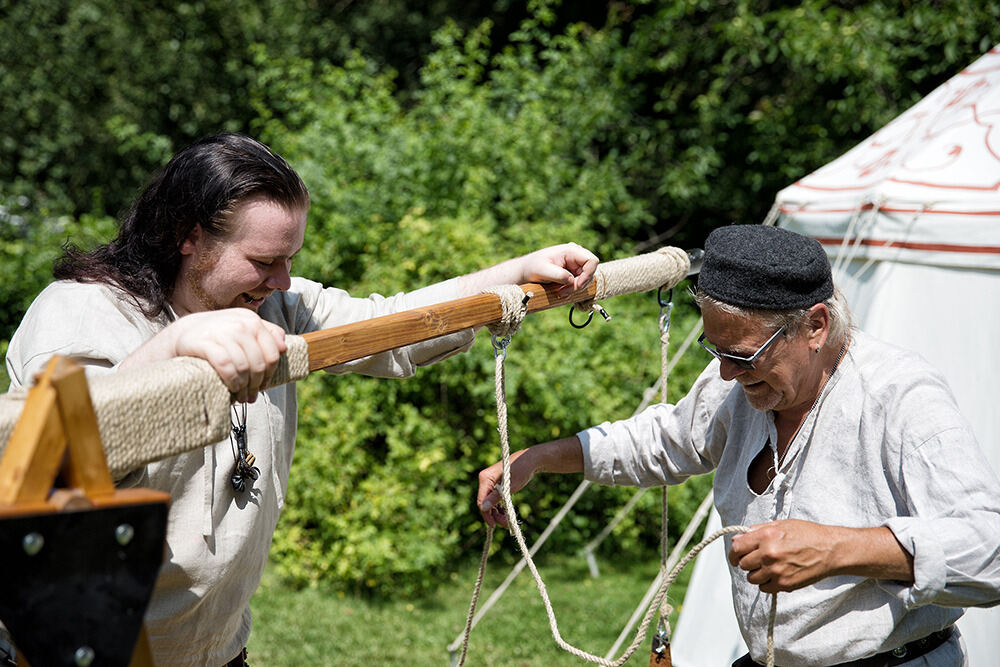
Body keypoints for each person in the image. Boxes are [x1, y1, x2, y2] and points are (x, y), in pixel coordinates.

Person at [4, 133, 600, 666]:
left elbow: (394, 323)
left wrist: (517, 272)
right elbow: (47, 457)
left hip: (217, 651)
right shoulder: (81, 311)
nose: (283, 280)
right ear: (189, 237)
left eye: (290, 260)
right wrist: (177, 345)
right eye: (264, 261)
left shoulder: (275, 305)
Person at [477, 224, 1000, 665]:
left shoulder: (901, 396)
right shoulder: (737, 377)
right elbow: (663, 440)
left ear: (815, 325)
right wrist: (538, 457)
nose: (726, 374)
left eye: (744, 356)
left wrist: (838, 549)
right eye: (716, 350)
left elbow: (989, 551)